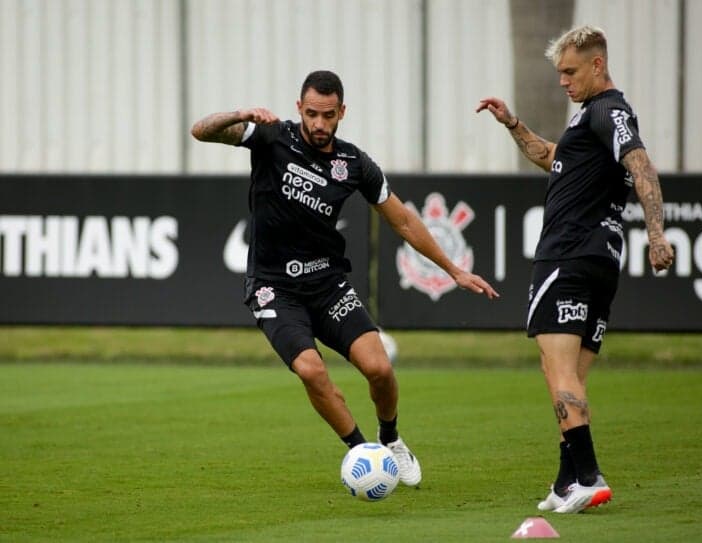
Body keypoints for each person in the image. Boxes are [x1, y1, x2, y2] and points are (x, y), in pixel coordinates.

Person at [191, 70, 499, 488]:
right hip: (273, 288)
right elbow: (200, 131)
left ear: (342, 113)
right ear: (299, 108)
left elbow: (405, 221)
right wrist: (241, 113)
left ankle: (389, 440)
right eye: (312, 114)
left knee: (380, 369)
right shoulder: (270, 137)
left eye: (329, 116)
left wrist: (455, 270)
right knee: (311, 371)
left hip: (327, 284)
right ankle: (361, 452)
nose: (320, 124)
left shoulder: (354, 163)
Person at [477, 25, 674, 513]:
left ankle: (588, 476)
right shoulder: (589, 119)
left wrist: (657, 233)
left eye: (569, 71)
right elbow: (553, 158)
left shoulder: (609, 110)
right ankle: (567, 481)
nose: (562, 81)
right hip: (601, 261)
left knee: (557, 367)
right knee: (568, 374)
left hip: (568, 255)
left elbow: (642, 167)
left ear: (597, 65)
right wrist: (513, 123)